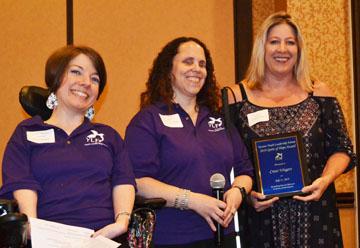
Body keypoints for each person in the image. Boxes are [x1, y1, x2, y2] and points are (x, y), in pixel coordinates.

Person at [227, 12, 357, 247]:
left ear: (299, 49)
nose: (282, 49)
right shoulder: (235, 98)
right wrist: (246, 195)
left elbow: (342, 149)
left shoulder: (319, 93)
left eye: (290, 42)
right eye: (274, 41)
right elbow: (225, 157)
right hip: (259, 219)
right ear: (262, 47)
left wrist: (325, 180)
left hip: (316, 217)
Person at [124, 37, 253, 247]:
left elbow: (245, 171)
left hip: (223, 236)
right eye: (188, 62)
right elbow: (137, 182)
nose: (197, 69)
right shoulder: (148, 120)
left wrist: (237, 192)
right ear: (169, 69)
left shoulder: (218, 119)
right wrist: (192, 201)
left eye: (202, 64)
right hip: (171, 238)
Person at [0, 45, 136, 241]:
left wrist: (120, 223)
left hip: (103, 237)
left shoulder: (109, 136)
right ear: (56, 78)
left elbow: (123, 180)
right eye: (76, 72)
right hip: (49, 236)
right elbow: (22, 184)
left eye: (95, 79)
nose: (86, 83)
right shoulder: (27, 133)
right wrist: (34, 230)